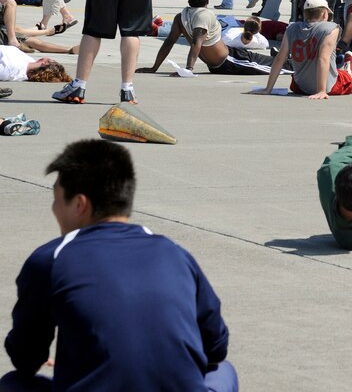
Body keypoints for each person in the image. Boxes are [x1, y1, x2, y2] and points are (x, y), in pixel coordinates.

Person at [2, 140, 237, 390]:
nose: (54, 208)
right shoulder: (175, 253)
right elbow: (216, 348)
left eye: (56, 199)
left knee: (12, 384)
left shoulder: (51, 259)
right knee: (223, 371)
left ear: (80, 204)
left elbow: (25, 358)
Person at [137, 0, 287, 76]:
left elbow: (170, 42)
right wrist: (188, 69)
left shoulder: (180, 17)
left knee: (276, 67)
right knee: (273, 65)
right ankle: (294, 61)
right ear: (207, 2)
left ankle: (300, 64)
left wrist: (154, 68)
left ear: (189, 2)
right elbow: (196, 43)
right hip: (228, 61)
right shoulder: (205, 15)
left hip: (232, 59)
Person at [255, 0, 352, 98]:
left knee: (340, 73)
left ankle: (347, 70)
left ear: (305, 14)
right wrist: (321, 90)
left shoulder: (292, 28)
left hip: (300, 86)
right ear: (324, 14)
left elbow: (279, 59)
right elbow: (323, 59)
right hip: (327, 85)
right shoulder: (330, 28)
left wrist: (268, 88)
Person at [0, 45, 71, 82]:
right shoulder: (29, 62)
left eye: (50, 59)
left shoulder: (11, 70)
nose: (47, 57)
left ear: (44, 63)